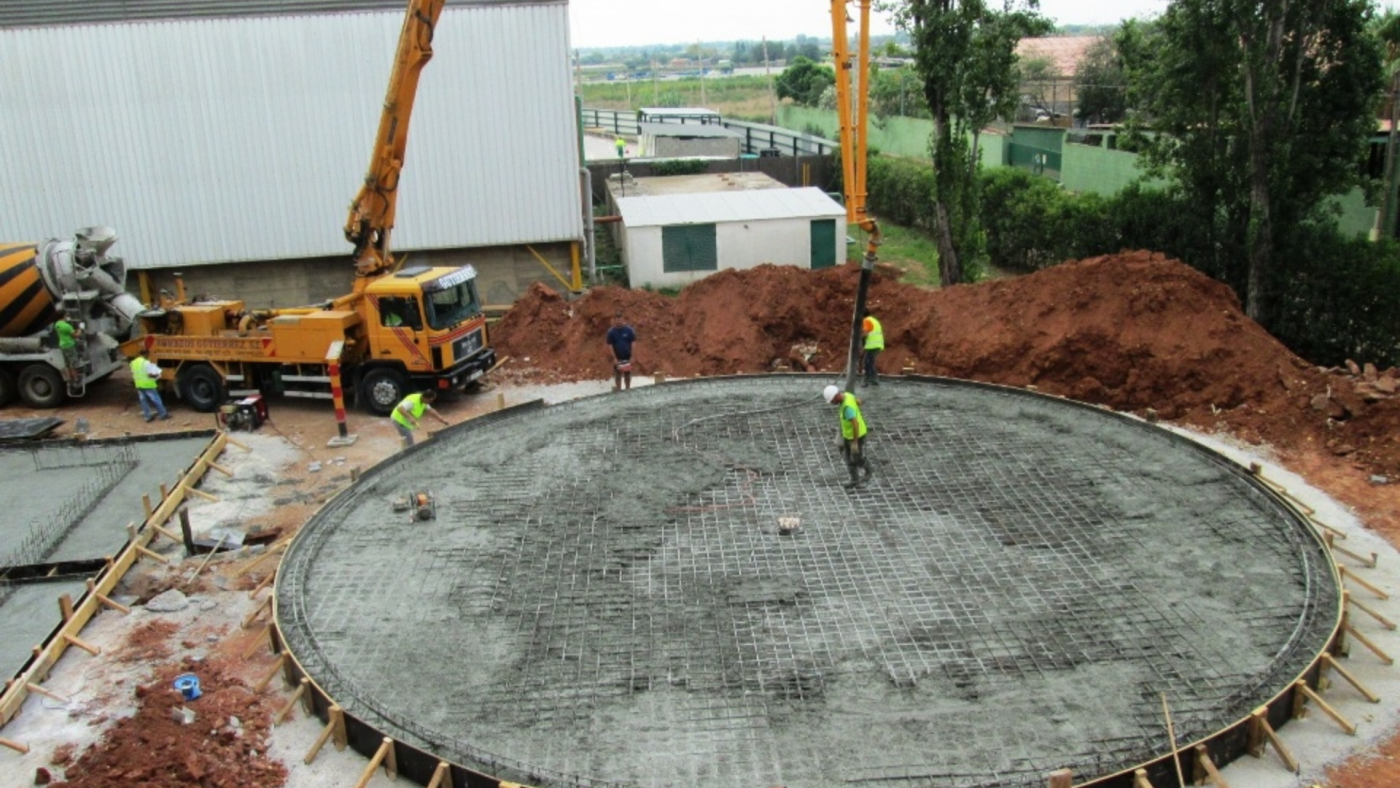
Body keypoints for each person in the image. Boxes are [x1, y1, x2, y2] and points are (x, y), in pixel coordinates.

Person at [824, 384, 872, 488]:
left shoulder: (847, 408)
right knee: (848, 458)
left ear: (836, 396)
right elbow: (858, 401)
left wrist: (854, 442)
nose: (832, 403)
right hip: (848, 435)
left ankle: (868, 469)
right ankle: (855, 481)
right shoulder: (848, 395)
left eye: (832, 401)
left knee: (855, 458)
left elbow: (855, 424)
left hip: (857, 435)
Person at [130, 347, 169, 422]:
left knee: (143, 400)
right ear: (146, 354)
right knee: (156, 399)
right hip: (148, 384)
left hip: (139, 384)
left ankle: (147, 416)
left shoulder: (133, 362)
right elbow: (150, 374)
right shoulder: (145, 362)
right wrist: (158, 375)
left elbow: (133, 373)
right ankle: (163, 414)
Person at [605, 312, 637, 392]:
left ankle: (628, 390)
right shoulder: (611, 332)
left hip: (627, 356)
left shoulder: (629, 330)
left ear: (623, 319)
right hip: (618, 357)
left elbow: (633, 343)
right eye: (617, 319)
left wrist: (632, 356)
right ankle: (619, 391)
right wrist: (614, 358)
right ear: (614, 320)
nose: (619, 320)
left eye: (620, 318)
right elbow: (610, 345)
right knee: (618, 375)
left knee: (627, 374)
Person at [53, 316, 81, 384]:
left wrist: (73, 331)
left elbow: (67, 333)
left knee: (67, 364)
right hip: (69, 345)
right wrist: (80, 329)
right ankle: (76, 378)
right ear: (64, 316)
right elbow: (76, 336)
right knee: (73, 363)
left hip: (62, 345)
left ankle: (69, 378)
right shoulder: (67, 326)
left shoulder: (57, 324)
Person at [861, 313, 884, 387]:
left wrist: (859, 339)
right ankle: (873, 379)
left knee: (867, 362)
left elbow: (865, 333)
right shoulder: (874, 320)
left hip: (872, 346)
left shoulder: (866, 320)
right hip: (877, 345)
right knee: (870, 362)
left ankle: (869, 379)